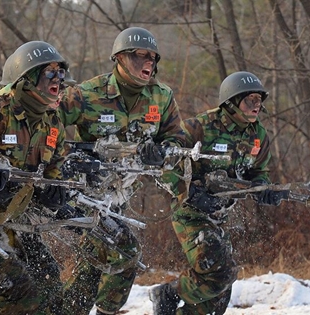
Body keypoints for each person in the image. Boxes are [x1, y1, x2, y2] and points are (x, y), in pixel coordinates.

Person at [57, 26, 185, 314]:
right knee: (125, 254)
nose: (149, 63)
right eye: (141, 56)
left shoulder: (161, 96)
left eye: (153, 57)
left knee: (93, 264)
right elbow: (44, 128)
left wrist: (161, 152)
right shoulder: (86, 94)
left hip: (120, 196)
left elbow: (177, 137)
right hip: (83, 196)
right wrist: (70, 158)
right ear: (120, 58)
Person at [150, 71, 285, 315]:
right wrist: (189, 193)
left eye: (259, 100)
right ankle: (170, 293)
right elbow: (165, 164)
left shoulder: (259, 135)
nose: (256, 106)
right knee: (219, 272)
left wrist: (265, 189)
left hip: (220, 215)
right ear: (231, 102)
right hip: (189, 212)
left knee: (218, 300)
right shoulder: (198, 127)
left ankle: (175, 303)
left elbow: (259, 172)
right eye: (249, 100)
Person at [0, 40, 71, 314]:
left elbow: (54, 170)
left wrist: (54, 195)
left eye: (61, 73)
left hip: (11, 220)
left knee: (49, 282)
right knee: (19, 293)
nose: (59, 81)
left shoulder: (52, 122)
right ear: (27, 79)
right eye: (49, 73)